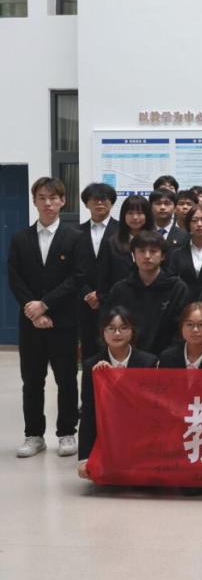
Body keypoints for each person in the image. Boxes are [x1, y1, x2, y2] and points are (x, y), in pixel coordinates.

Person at [9, 177, 84, 458]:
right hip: (30, 323)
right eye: (42, 198)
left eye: (53, 198)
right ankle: (34, 435)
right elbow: (15, 278)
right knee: (32, 381)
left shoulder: (74, 237)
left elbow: (77, 278)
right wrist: (33, 310)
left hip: (62, 322)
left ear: (63, 201)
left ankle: (66, 433)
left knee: (66, 379)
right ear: (34, 201)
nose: (48, 203)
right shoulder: (20, 239)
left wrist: (46, 305)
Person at [76, 307, 160, 480]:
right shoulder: (92, 366)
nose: (117, 333)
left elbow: (151, 411)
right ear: (103, 332)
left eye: (123, 328)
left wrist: (114, 379)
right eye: (111, 328)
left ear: (132, 331)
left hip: (140, 437)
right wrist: (84, 458)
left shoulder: (148, 362)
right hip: (108, 438)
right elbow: (88, 413)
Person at [76, 182, 118, 361]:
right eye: (95, 199)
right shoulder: (75, 232)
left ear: (111, 202)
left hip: (113, 300)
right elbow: (73, 268)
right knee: (88, 350)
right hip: (84, 302)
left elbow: (124, 269)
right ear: (86, 203)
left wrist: (102, 295)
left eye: (104, 199)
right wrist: (88, 294)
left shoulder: (122, 231)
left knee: (114, 349)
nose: (100, 203)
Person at [96, 194, 154, 304]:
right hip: (119, 303)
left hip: (151, 301)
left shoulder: (157, 242)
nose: (135, 217)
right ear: (123, 216)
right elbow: (103, 280)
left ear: (147, 215)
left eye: (140, 213)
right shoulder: (111, 243)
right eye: (130, 213)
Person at [166, 203, 202, 301]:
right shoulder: (177, 253)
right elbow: (171, 281)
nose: (199, 224)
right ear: (188, 224)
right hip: (183, 302)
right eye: (194, 220)